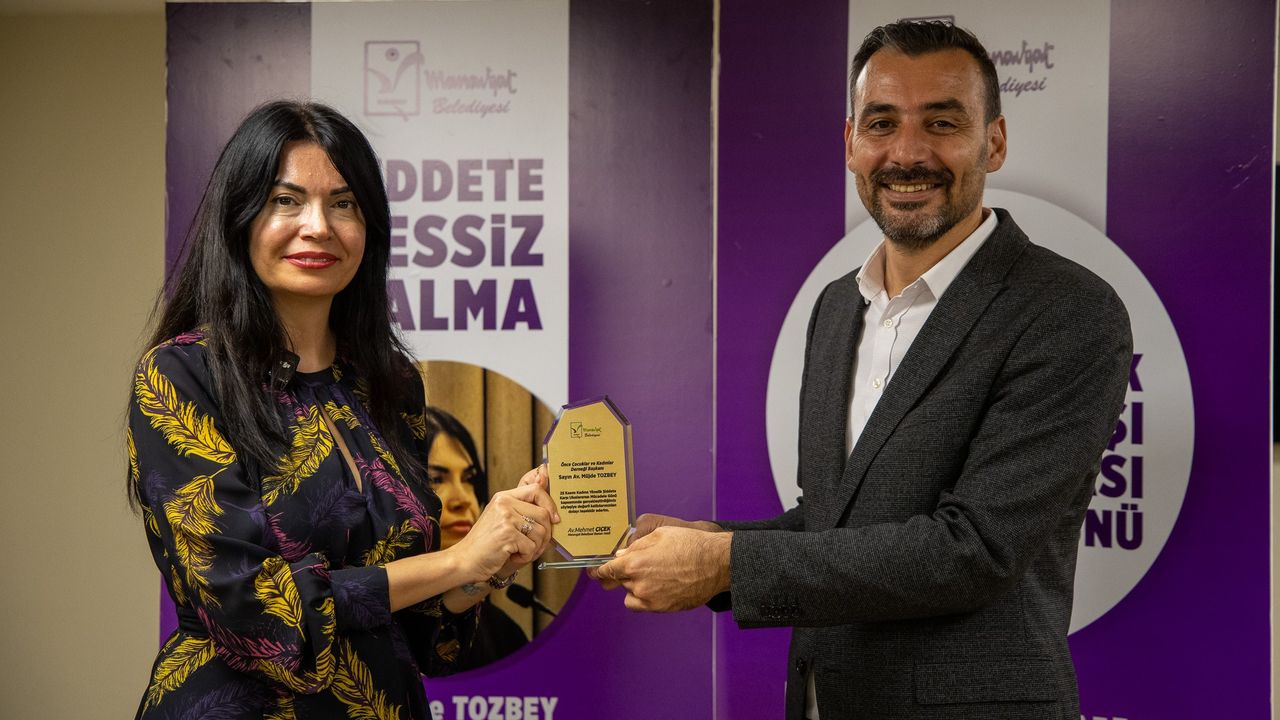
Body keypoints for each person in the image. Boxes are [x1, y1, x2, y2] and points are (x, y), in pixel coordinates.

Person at [590, 21, 1132, 720]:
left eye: (942, 123)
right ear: (851, 143)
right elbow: (835, 524)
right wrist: (711, 541)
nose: (907, 153)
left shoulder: (1067, 310)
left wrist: (726, 565)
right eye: (882, 124)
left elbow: (975, 549)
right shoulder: (837, 307)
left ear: (993, 142)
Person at [127, 100, 557, 719]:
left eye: (344, 203)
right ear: (240, 217)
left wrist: (489, 563)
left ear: (369, 227)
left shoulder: (392, 384)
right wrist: (455, 559)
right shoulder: (182, 375)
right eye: (285, 200)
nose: (318, 226)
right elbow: (252, 612)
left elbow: (421, 631)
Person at [423, 406, 531, 669]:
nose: (463, 499)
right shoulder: (377, 627)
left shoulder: (505, 634)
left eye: (469, 479)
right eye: (436, 479)